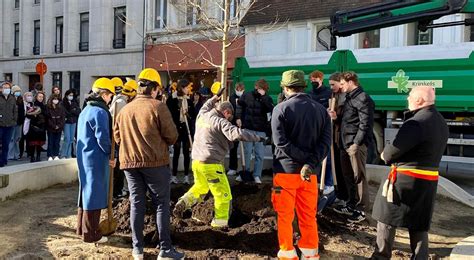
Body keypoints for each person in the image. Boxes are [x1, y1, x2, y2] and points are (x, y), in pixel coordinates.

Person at [114, 68, 184, 260]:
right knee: (161, 204)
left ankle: (137, 249)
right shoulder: (158, 107)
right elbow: (172, 136)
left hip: (129, 163)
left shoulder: (125, 109)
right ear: (153, 88)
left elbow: (117, 137)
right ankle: (165, 249)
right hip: (154, 162)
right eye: (158, 89)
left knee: (136, 203)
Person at [371, 86, 448, 259]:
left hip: (404, 180)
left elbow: (391, 153)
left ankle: (380, 256)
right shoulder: (440, 121)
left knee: (386, 218)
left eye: (410, 96)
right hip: (428, 182)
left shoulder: (416, 122)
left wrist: (384, 153)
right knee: (419, 224)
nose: (407, 99)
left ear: (419, 100)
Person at [173, 87, 263, 228]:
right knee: (223, 195)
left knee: (200, 187)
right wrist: (258, 138)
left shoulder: (202, 115)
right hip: (211, 164)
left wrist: (215, 97)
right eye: (230, 117)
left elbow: (205, 105)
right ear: (226, 112)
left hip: (196, 161)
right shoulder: (221, 122)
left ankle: (183, 202)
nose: (229, 119)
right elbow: (237, 134)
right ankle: (219, 225)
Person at [271, 70, 330, 259]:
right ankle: (310, 253)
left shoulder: (280, 109)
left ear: (285, 88)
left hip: (285, 173)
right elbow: (325, 144)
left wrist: (303, 160)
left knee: (285, 216)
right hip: (309, 174)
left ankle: (288, 252)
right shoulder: (321, 110)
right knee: (308, 215)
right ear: (303, 86)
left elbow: (281, 143)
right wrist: (310, 163)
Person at [331, 71, 374, 223]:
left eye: (342, 84)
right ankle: (351, 204)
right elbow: (347, 121)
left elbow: (366, 124)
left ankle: (361, 210)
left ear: (350, 82)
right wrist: (336, 118)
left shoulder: (363, 98)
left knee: (358, 177)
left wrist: (357, 143)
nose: (340, 87)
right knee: (348, 176)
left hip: (354, 145)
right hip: (345, 143)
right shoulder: (350, 98)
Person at [76, 78, 115, 244]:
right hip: (96, 158)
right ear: (104, 94)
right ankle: (91, 233)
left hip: (84, 156)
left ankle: (81, 228)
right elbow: (103, 138)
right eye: (110, 95)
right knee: (94, 194)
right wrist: (110, 156)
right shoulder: (100, 111)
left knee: (85, 193)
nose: (111, 99)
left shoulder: (86, 109)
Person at [236, 79, 274, 183]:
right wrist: (238, 117)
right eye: (259, 88)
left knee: (259, 154)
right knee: (247, 152)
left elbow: (270, 110)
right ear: (256, 87)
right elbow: (239, 104)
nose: (261, 90)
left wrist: (263, 97)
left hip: (261, 130)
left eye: (263, 89)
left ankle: (257, 175)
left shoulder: (267, 98)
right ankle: (245, 173)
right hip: (248, 128)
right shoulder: (247, 95)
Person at [109, 77, 137, 199]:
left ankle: (117, 191)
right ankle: (116, 192)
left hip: (117, 138)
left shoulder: (121, 101)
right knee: (118, 167)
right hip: (116, 139)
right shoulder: (121, 103)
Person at [309, 70, 335, 198]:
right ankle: (317, 181)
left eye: (315, 80)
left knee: (327, 157)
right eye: (311, 80)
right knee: (316, 157)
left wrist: (328, 112)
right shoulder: (310, 94)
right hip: (314, 129)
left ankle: (328, 183)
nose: (313, 82)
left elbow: (332, 109)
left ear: (321, 79)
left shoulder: (328, 93)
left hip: (325, 128)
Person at [167, 79, 195, 184]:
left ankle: (186, 176)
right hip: (176, 129)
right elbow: (168, 115)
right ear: (181, 88)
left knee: (186, 153)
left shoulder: (189, 100)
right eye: (187, 87)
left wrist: (187, 114)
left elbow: (193, 115)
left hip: (186, 130)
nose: (188, 90)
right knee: (176, 152)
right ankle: (174, 175)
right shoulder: (171, 99)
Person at [327, 72, 348, 204]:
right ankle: (339, 194)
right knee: (337, 168)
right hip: (335, 135)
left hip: (342, 135)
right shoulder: (334, 96)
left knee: (344, 169)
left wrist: (336, 117)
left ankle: (345, 196)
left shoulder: (346, 98)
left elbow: (347, 118)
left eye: (332, 84)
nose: (331, 87)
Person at [227, 82, 245, 176]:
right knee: (233, 148)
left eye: (241, 90)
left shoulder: (246, 97)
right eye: (237, 90)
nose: (239, 91)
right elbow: (230, 111)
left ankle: (244, 168)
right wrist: (235, 120)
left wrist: (242, 121)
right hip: (233, 126)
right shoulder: (231, 98)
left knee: (245, 149)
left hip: (243, 126)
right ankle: (232, 167)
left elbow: (246, 111)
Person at [0, 82, 18, 167]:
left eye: (8, 87)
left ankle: (4, 160)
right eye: (5, 87)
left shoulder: (12, 98)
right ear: (1, 89)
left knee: (6, 144)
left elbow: (15, 110)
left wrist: (14, 120)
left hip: (10, 125)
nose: (6, 89)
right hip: (1, 125)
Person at [26, 91, 47, 162]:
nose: (41, 98)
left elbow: (46, 115)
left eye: (42, 97)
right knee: (33, 143)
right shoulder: (33, 105)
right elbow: (28, 114)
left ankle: (38, 156)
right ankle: (32, 157)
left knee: (39, 143)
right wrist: (34, 114)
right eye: (39, 97)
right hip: (33, 126)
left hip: (42, 126)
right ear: (36, 97)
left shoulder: (44, 106)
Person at [61, 90, 81, 159]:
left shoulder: (74, 102)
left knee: (71, 139)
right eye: (70, 95)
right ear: (66, 95)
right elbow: (65, 112)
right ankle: (63, 154)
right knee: (67, 138)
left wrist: (73, 111)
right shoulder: (63, 103)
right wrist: (73, 111)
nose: (71, 97)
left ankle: (68, 155)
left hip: (73, 122)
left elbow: (78, 111)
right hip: (67, 122)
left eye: (72, 95)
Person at [46, 94, 66, 161]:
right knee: (50, 142)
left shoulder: (61, 108)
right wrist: (54, 126)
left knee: (57, 142)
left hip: (59, 128)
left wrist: (59, 126)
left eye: (57, 99)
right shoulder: (48, 107)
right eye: (54, 99)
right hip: (51, 128)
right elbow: (48, 118)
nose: (56, 100)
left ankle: (56, 154)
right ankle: (50, 155)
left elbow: (63, 118)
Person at [8, 85, 25, 160]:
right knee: (11, 139)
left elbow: (22, 112)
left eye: (19, 91)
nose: (18, 93)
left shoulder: (20, 100)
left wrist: (21, 120)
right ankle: (10, 155)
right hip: (12, 122)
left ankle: (17, 155)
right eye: (17, 91)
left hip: (19, 123)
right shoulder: (10, 99)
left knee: (17, 139)